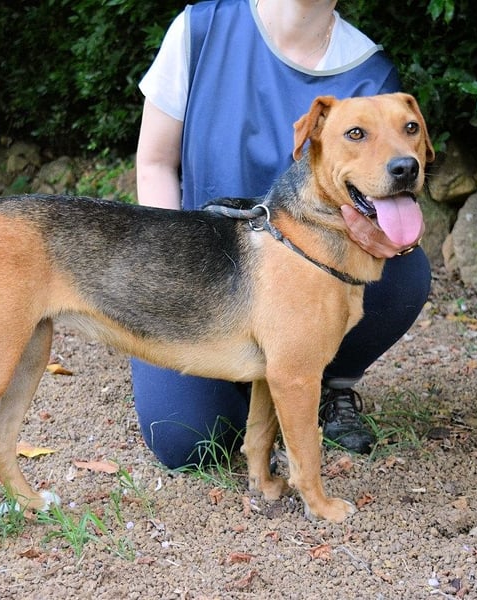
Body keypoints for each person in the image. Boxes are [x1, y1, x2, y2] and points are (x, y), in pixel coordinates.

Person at [132, 0, 430, 469]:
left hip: (307, 279)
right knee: (185, 440)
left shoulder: (369, 69)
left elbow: (390, 176)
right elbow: (154, 163)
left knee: (405, 272)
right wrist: (164, 266)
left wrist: (389, 239)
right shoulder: (199, 28)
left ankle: (329, 380)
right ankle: (261, 378)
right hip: (205, 273)